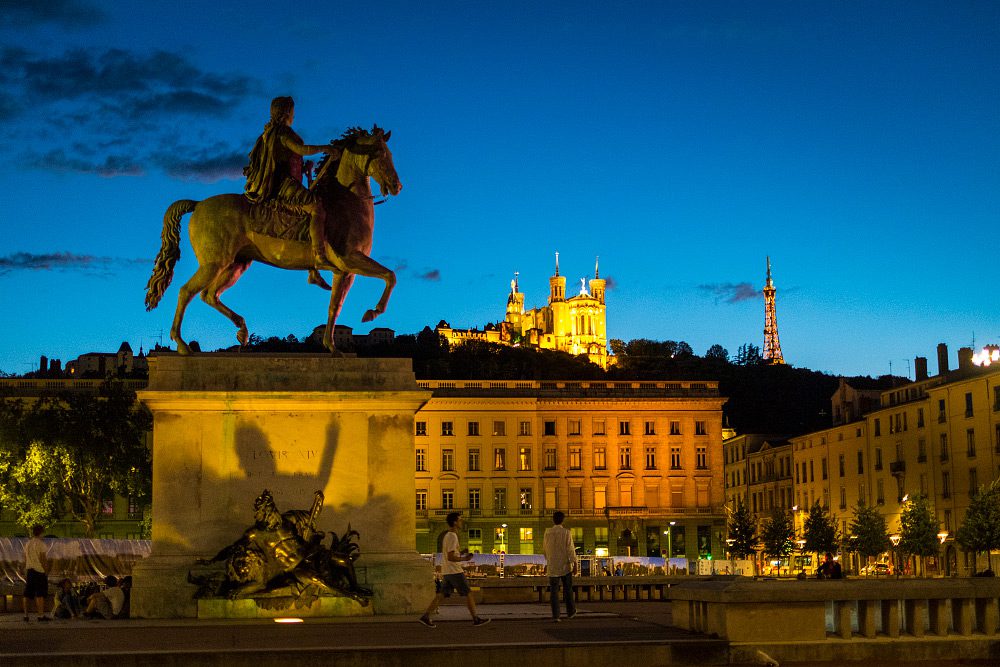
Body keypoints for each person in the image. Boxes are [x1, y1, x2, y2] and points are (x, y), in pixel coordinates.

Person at [243, 96, 341, 268]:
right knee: (316, 206)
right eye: (292, 111)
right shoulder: (282, 132)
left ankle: (312, 270)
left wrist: (304, 170)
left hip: (285, 180)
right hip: (283, 184)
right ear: (286, 112)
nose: (294, 115)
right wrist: (325, 148)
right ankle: (319, 256)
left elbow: (285, 159)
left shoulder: (271, 133)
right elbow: (300, 149)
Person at [418, 512, 490, 627]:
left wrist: (461, 552)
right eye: (460, 520)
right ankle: (476, 619)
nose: (462, 522)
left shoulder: (447, 535)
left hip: (447, 570)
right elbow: (451, 557)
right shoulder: (452, 536)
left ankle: (426, 616)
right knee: (468, 593)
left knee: (441, 595)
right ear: (455, 522)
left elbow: (450, 554)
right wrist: (464, 558)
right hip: (455, 571)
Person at [543, 511, 578, 622]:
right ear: (563, 520)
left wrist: (548, 561)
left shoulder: (547, 532)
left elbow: (545, 549)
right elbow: (570, 549)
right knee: (568, 589)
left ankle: (556, 615)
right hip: (565, 566)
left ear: (553, 520)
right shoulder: (566, 533)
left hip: (552, 566)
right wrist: (575, 564)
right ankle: (571, 612)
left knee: (554, 591)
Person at [22, 525, 51, 622]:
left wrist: (25, 569)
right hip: (39, 571)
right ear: (41, 532)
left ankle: (26, 615)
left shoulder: (28, 543)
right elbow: (43, 559)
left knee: (27, 593)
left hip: (29, 570)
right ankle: (40, 615)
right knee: (40, 594)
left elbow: (25, 558)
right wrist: (46, 571)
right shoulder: (41, 544)